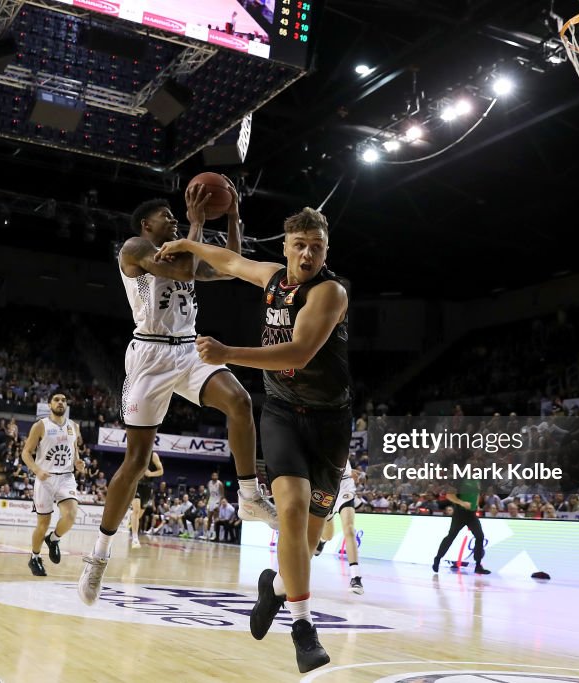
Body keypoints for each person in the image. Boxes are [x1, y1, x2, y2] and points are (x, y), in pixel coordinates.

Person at [155, 206, 350, 673]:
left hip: (330, 422)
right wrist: (187, 244)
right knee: (292, 508)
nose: (307, 253)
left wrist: (228, 354)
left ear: (325, 250)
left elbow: (300, 352)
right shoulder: (272, 278)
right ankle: (303, 627)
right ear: (285, 248)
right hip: (282, 412)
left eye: (316, 246)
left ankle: (276, 591)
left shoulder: (330, 292)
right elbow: (228, 262)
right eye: (299, 244)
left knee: (309, 540)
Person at [77, 178, 277, 605]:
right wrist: (197, 223)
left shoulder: (185, 247)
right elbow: (185, 268)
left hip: (188, 350)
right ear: (146, 225)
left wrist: (235, 216)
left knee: (240, 401)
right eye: (164, 216)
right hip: (149, 358)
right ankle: (99, 555)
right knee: (134, 462)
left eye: (175, 215)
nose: (172, 218)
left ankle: (248, 497)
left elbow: (231, 264)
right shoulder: (134, 249)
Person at [21, 394, 86, 576]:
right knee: (43, 523)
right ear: (50, 404)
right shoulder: (40, 426)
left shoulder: (74, 426)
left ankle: (54, 539)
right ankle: (34, 558)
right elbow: (26, 453)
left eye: (64, 400)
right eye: (56, 400)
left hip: (66, 477)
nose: (60, 402)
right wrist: (36, 470)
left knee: (71, 514)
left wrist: (78, 462)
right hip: (45, 479)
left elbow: (74, 450)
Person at [315, 459, 365, 594]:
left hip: (344, 486)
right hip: (325, 487)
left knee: (348, 528)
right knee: (328, 535)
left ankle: (356, 577)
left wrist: (350, 471)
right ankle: (322, 541)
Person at [431, 477, 491, 575]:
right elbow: (449, 496)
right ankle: (438, 558)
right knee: (451, 537)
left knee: (480, 537)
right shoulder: (460, 480)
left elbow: (477, 494)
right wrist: (462, 503)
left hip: (471, 515)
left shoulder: (477, 481)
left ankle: (478, 565)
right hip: (460, 514)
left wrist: (476, 506)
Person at [131, 451, 164, 548]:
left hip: (147, 488)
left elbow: (161, 471)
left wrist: (150, 474)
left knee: (139, 515)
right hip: (136, 485)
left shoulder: (153, 455)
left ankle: (132, 519)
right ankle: (135, 538)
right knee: (136, 511)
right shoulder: (135, 452)